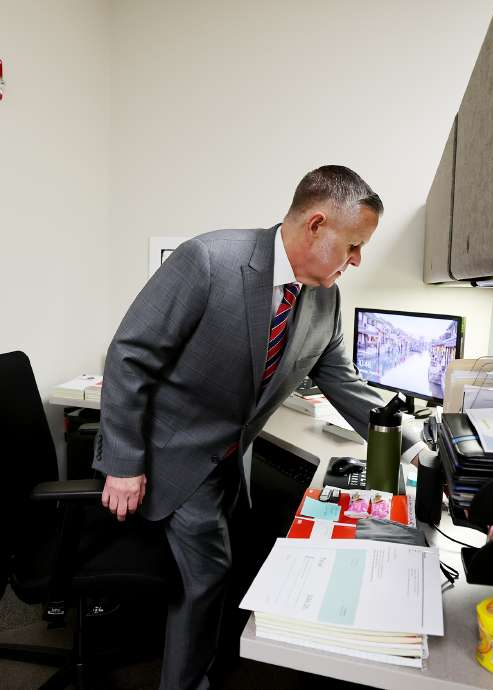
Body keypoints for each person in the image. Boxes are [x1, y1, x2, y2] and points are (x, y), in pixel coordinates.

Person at [94, 165, 390, 689]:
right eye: (353, 245)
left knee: (229, 564)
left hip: (234, 455)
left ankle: (208, 657)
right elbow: (131, 355)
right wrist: (122, 464)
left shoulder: (324, 296)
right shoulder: (209, 260)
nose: (357, 260)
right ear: (316, 225)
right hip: (175, 451)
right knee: (208, 575)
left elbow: (338, 377)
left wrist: (408, 441)